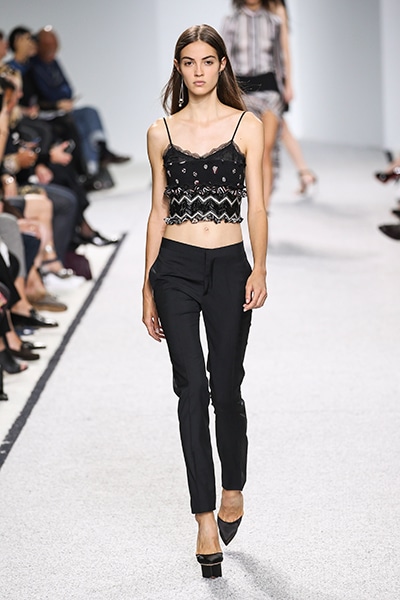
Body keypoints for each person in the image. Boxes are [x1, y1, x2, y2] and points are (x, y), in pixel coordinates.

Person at [142, 24, 268, 579]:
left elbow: (257, 206)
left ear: (221, 66)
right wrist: (147, 283)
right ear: (179, 67)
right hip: (174, 266)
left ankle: (232, 487)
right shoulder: (160, 131)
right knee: (190, 387)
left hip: (229, 266)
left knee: (226, 384)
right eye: (188, 62)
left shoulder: (247, 125)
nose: (198, 71)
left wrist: (259, 265)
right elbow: (158, 210)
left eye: (207, 61)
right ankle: (203, 520)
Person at [27, 26, 130, 177]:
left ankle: (102, 151)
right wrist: (56, 103)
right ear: (39, 46)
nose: (53, 50)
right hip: (47, 114)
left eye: (55, 46)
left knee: (90, 112)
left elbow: (67, 88)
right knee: (78, 127)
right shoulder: (32, 67)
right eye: (49, 46)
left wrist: (63, 101)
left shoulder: (54, 64)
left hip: (63, 109)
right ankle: (90, 168)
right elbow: (37, 97)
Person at [222, 0, 292, 210]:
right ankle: (254, 201)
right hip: (243, 92)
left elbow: (279, 59)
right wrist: (225, 92)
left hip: (270, 90)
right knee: (251, 151)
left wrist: (287, 85)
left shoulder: (273, 22)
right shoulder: (231, 21)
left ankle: (263, 207)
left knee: (267, 149)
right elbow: (225, 60)